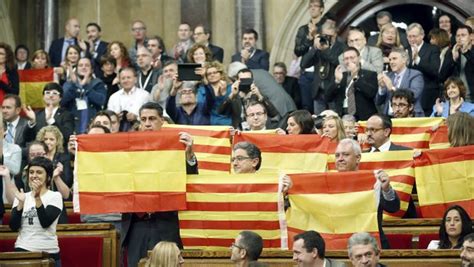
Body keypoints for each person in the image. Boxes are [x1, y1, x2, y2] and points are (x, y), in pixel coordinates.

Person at [121, 102, 198, 267]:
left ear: (162, 121)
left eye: (152, 118)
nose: (147, 123)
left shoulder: (177, 146)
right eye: (143, 119)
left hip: (165, 223)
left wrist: (189, 154)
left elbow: (191, 181)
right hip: (136, 224)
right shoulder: (128, 147)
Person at [335, 139, 400, 249]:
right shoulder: (327, 185)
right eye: (337, 155)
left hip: (372, 245)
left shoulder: (373, 181)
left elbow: (393, 207)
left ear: (358, 158)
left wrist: (386, 189)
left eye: (345, 155)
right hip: (338, 245)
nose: (340, 159)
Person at [7, 157, 63, 266]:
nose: (34, 176)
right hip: (23, 250)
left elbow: (45, 223)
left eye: (39, 172)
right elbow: (13, 226)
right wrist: (21, 204)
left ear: (48, 177)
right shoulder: (22, 196)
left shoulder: (55, 196)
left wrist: (37, 198)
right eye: (31, 172)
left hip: (49, 253)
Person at [301, 22, 346, 114]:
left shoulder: (342, 47)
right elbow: (303, 64)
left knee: (334, 120)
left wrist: (326, 50)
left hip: (334, 92)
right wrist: (314, 48)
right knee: (319, 121)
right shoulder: (318, 47)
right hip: (318, 92)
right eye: (325, 35)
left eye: (330, 36)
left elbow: (338, 62)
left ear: (335, 34)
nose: (327, 38)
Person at [327, 47, 378, 120]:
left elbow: (371, 93)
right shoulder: (341, 75)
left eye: (352, 58)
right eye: (346, 59)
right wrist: (337, 82)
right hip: (343, 114)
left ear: (359, 58)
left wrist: (355, 77)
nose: (349, 61)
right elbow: (328, 97)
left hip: (363, 116)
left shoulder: (370, 74)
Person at [294, 0, 325, 113]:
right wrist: (308, 39)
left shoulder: (326, 27)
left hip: (322, 72)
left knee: (321, 108)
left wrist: (317, 35)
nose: (312, 8)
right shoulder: (303, 29)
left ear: (321, 9)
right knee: (307, 107)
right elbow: (297, 51)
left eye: (315, 6)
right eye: (310, 6)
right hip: (306, 73)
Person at [61, 57, 107, 134]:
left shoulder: (98, 83)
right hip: (73, 127)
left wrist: (86, 86)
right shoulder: (68, 84)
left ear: (92, 70)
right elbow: (62, 101)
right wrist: (74, 85)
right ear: (76, 69)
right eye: (81, 65)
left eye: (87, 65)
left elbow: (101, 101)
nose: (83, 67)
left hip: (93, 127)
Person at [376, 48, 424, 117]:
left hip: (410, 116)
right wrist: (382, 88)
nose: (391, 62)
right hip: (389, 118)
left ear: (404, 60)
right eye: (390, 60)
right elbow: (378, 102)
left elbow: (414, 95)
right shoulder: (388, 76)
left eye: (394, 58)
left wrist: (392, 88)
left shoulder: (415, 75)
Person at [406, 23, 441, 116]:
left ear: (422, 35)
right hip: (407, 98)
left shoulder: (432, 49)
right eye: (409, 36)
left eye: (414, 36)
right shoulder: (405, 50)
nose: (412, 39)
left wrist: (417, 60)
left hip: (427, 97)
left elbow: (434, 71)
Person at [27, 83, 74, 149]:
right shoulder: (36, 114)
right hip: (38, 152)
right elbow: (27, 139)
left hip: (59, 153)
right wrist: (32, 122)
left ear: (60, 98)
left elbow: (68, 136)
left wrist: (51, 121)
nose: (51, 95)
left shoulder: (66, 115)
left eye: (54, 93)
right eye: (47, 93)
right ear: (43, 96)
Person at [108, 67, 151, 131]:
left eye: (128, 77)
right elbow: (108, 117)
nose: (126, 80)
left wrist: (136, 117)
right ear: (119, 80)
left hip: (139, 131)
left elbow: (151, 115)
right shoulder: (113, 97)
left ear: (135, 79)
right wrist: (115, 117)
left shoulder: (144, 95)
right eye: (123, 78)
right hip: (118, 132)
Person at [35, 126, 72, 200]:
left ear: (57, 141)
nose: (48, 142)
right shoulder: (37, 157)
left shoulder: (64, 158)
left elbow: (68, 181)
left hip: (60, 197)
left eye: (51, 139)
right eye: (45, 139)